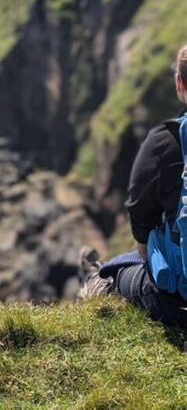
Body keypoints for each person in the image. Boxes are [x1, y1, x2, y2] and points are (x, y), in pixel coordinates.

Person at [80, 44, 187, 327]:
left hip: (177, 304)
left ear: (179, 83)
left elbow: (140, 215)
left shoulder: (163, 143)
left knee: (119, 273)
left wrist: (146, 246)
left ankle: (96, 281)